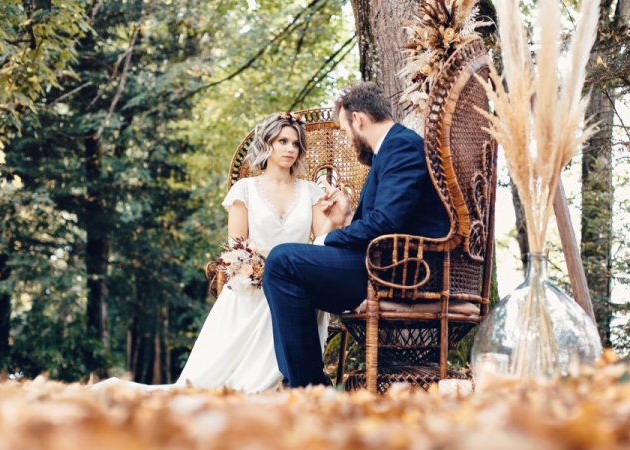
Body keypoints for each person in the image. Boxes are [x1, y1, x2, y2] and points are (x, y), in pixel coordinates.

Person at [94, 112, 346, 393]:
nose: (290, 149)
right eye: (282, 141)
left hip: (296, 283)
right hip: (252, 282)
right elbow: (236, 246)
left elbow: (322, 239)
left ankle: (293, 375)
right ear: (267, 144)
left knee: (292, 291)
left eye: (296, 144)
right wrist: (261, 273)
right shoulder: (245, 189)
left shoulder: (310, 191)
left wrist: (337, 218)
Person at [263, 82, 451, 388]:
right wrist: (347, 218)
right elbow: (388, 219)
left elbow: (387, 221)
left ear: (358, 120)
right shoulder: (392, 150)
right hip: (386, 261)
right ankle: (308, 382)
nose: (349, 140)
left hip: (401, 270)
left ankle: (307, 386)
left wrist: (328, 239)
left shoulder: (401, 146)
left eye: (346, 130)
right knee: (290, 272)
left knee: (283, 260)